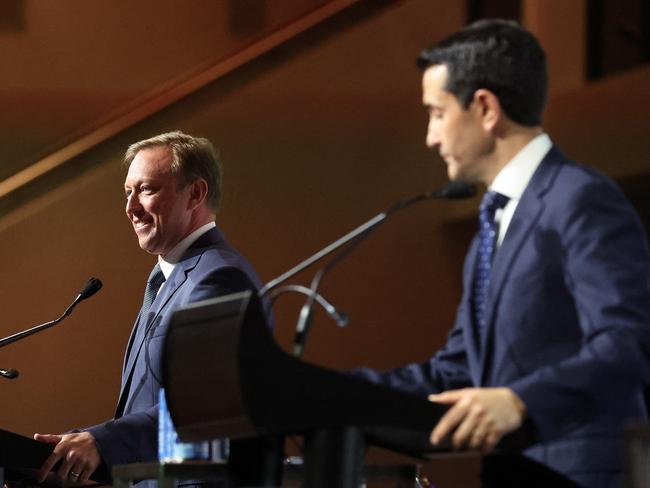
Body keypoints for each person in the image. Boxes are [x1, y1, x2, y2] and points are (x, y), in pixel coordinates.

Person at [353, 19, 650, 487]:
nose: (431, 137)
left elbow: (627, 343)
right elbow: (458, 371)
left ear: (486, 108)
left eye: (435, 113)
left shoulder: (579, 198)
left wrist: (520, 401)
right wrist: (338, 397)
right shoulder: (489, 231)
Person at [33, 131, 272, 486]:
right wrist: (74, 456)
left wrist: (103, 442)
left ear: (195, 194)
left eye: (146, 190)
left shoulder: (219, 278)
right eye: (128, 192)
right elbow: (149, 408)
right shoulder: (167, 279)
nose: (130, 208)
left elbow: (210, 408)